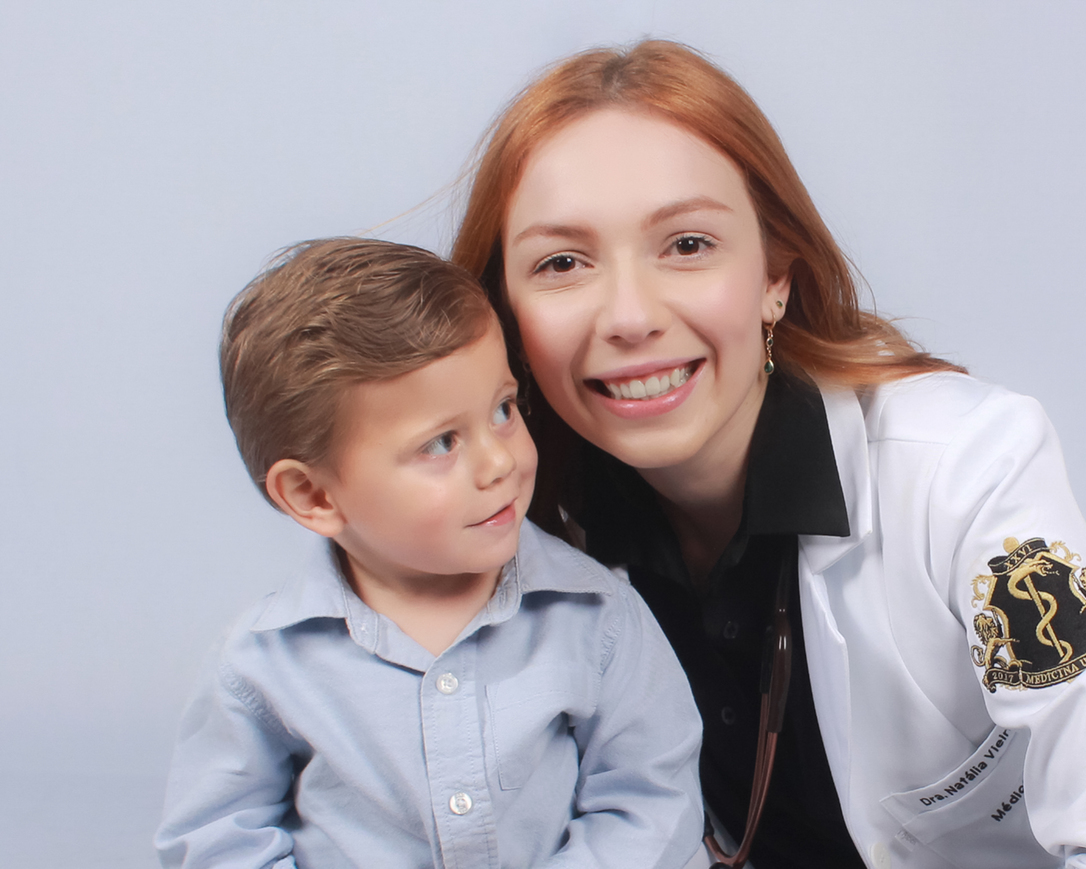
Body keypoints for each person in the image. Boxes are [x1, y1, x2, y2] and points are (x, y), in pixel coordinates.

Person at [451, 40, 1086, 869]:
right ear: (503, 313)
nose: (629, 315)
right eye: (562, 263)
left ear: (775, 274)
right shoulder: (511, 544)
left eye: (688, 245)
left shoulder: (960, 470)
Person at [154, 239, 704, 869]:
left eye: (502, 409)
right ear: (312, 494)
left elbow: (651, 804)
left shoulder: (597, 618)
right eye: (440, 443)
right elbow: (218, 839)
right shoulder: (263, 664)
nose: (500, 462)